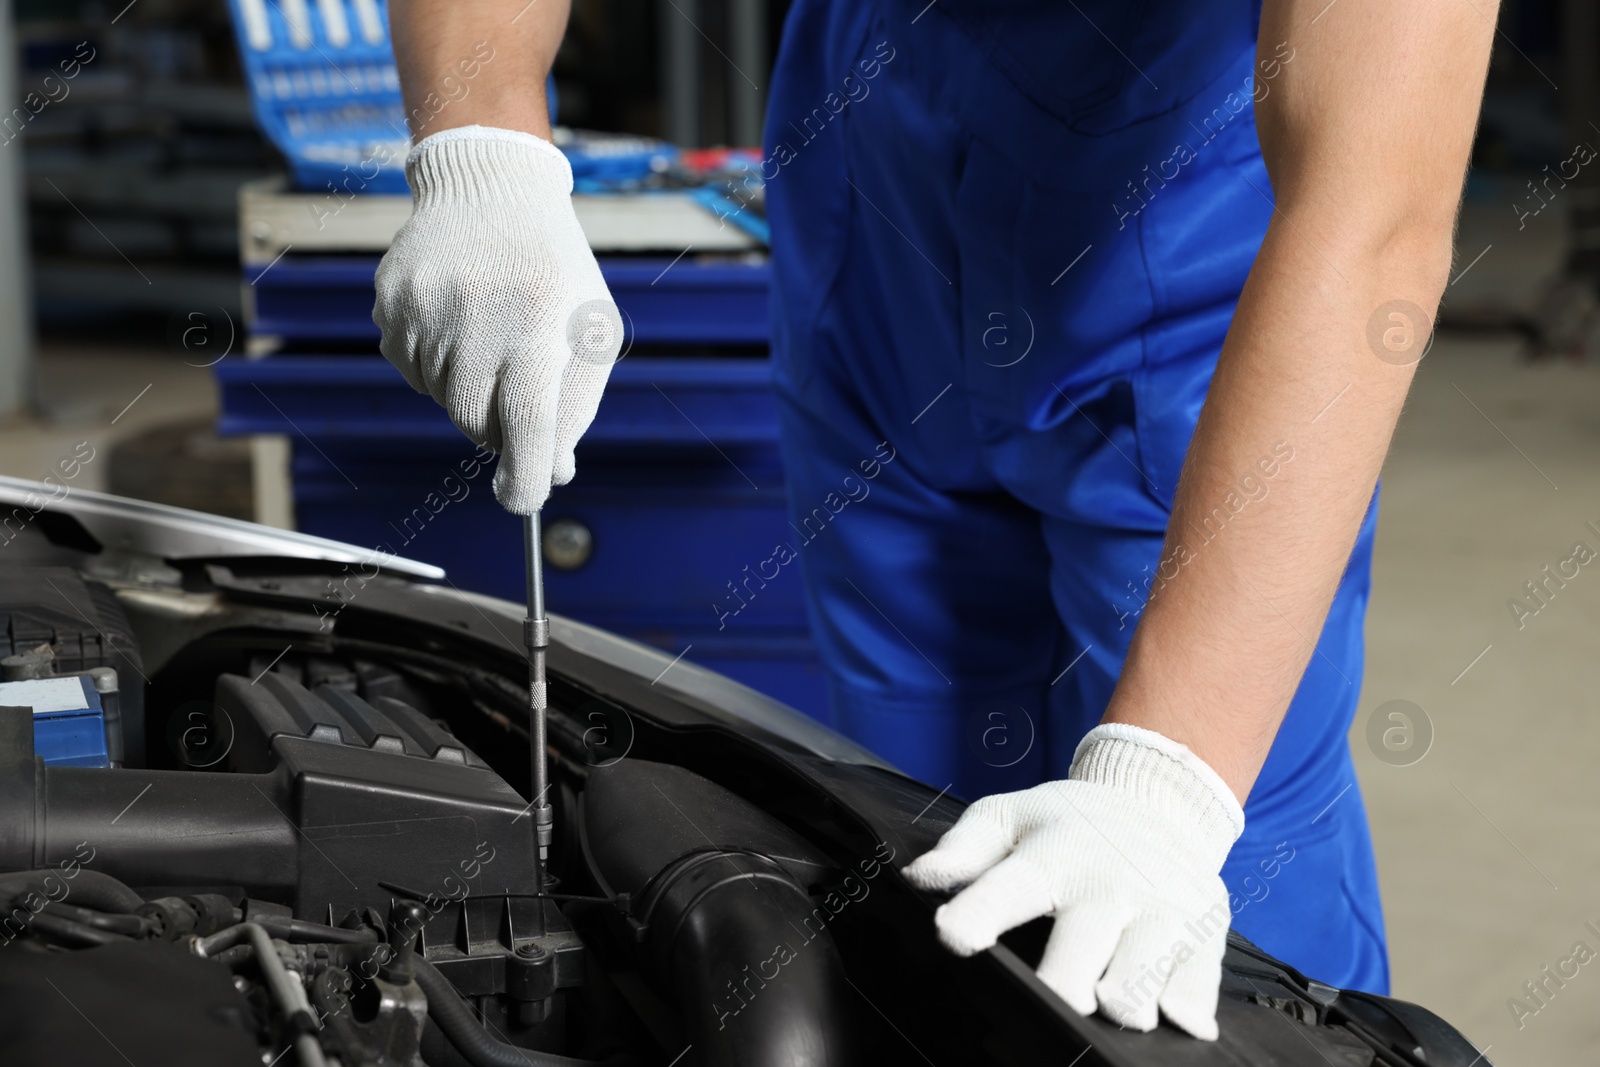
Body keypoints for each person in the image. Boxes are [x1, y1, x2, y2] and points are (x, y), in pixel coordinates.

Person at [375, 0, 1498, 1040]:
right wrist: (484, 146)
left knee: (1215, 922)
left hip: (1206, 237)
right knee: (899, 864)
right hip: (879, 166)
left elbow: (1374, 208)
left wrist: (1166, 782)